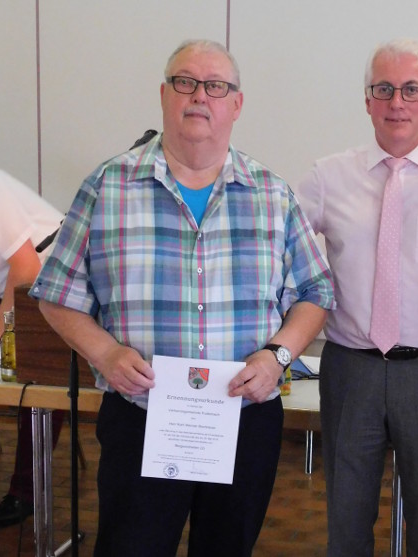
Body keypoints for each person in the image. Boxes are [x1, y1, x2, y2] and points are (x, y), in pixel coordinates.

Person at [30, 39, 334, 557]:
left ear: (236, 104)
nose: (200, 96)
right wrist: (105, 353)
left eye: (216, 86)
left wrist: (279, 355)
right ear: (165, 94)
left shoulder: (272, 194)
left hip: (243, 418)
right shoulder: (108, 186)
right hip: (141, 419)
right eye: (185, 82)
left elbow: (316, 290)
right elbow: (55, 295)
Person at [296, 38, 418, 556]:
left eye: (411, 89)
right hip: (350, 368)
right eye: (384, 89)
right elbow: (276, 244)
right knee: (347, 520)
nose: (397, 102)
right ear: (366, 99)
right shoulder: (327, 177)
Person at [0, 160, 65, 527]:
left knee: (35, 392)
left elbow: (27, 270)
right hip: (0, 290)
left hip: (48, 282)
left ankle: (26, 493)